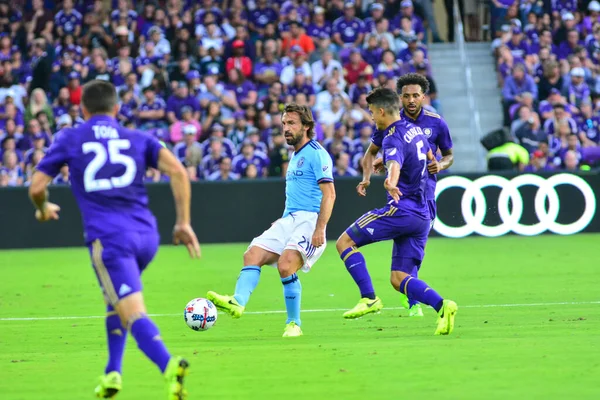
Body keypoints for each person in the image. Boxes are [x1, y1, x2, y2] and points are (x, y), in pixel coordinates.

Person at [27, 80, 201, 399]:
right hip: (147, 236)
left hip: (110, 241)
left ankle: (169, 364)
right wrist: (184, 223)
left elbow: (37, 187)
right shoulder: (138, 137)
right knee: (114, 300)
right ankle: (112, 373)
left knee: (133, 312)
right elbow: (178, 171)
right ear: (117, 109)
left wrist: (42, 209)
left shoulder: (71, 137)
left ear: (82, 110)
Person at [206, 104, 336, 338]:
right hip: (290, 218)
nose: (286, 128)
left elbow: (330, 194)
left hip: (310, 221)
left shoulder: (317, 153)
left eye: (292, 123)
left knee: (286, 266)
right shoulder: (295, 154)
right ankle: (238, 301)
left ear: (306, 126)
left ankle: (294, 324)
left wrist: (320, 229)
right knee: (252, 254)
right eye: (284, 123)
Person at [336, 87, 457, 336]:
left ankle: (368, 298)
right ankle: (443, 306)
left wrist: (391, 180)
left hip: (402, 210)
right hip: (423, 214)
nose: (371, 117)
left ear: (381, 111)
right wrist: (389, 165)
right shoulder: (415, 130)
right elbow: (421, 156)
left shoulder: (391, 136)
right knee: (399, 278)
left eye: (371, 112)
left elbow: (394, 162)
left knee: (344, 242)